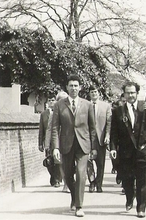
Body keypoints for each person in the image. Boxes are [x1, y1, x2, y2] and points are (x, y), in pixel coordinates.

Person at [110, 81, 146, 218]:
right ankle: (129, 196)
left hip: (143, 150)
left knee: (142, 180)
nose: (131, 95)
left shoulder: (144, 107)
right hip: (126, 152)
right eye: (128, 93)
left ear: (137, 93)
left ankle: (141, 208)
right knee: (127, 179)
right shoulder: (118, 111)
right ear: (124, 94)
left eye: (133, 92)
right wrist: (113, 147)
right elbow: (113, 132)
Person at [51, 74, 97, 217]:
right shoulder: (59, 105)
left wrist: (93, 147)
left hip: (83, 145)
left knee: (81, 173)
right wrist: (56, 148)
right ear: (67, 87)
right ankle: (74, 196)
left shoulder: (87, 105)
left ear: (80, 88)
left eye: (76, 85)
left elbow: (92, 127)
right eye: (71, 85)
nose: (73, 88)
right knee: (68, 175)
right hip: (66, 144)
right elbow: (54, 128)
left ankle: (79, 206)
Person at [87, 85, 112, 193]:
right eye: (92, 92)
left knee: (100, 164)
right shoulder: (85, 105)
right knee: (89, 162)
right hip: (88, 138)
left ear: (99, 93)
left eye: (95, 92)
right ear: (89, 94)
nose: (94, 94)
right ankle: (92, 182)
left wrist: (107, 135)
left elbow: (109, 123)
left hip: (101, 138)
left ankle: (99, 184)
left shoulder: (106, 106)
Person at [45, 91, 69, 193]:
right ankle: (66, 184)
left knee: (69, 163)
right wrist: (47, 145)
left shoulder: (71, 111)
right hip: (57, 142)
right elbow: (49, 129)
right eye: (60, 100)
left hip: (69, 140)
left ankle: (68, 183)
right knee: (60, 164)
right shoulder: (53, 113)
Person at [38, 95, 61, 187]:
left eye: (53, 100)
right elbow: (41, 130)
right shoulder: (43, 114)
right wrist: (40, 143)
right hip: (48, 141)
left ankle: (57, 180)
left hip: (58, 140)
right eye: (50, 100)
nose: (51, 102)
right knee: (49, 161)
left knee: (57, 161)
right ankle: (53, 176)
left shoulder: (59, 113)